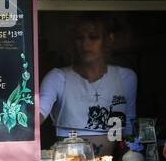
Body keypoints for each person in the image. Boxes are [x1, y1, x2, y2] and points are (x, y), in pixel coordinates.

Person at [38, 15, 137, 151]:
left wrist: (131, 157)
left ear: (109, 39)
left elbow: (129, 124)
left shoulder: (125, 77)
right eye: (80, 38)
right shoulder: (58, 78)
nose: (85, 44)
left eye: (93, 37)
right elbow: (39, 113)